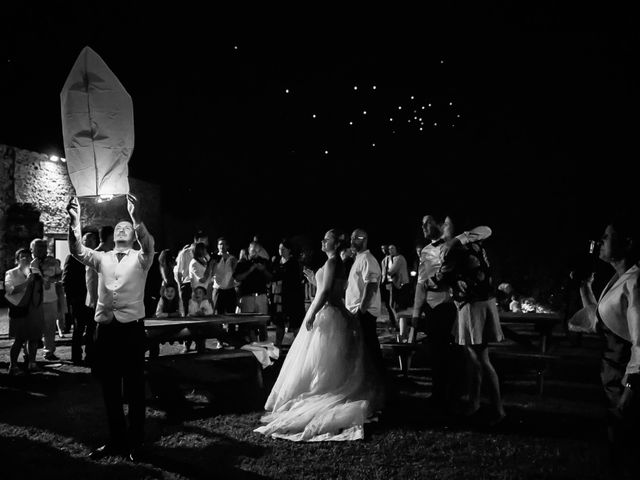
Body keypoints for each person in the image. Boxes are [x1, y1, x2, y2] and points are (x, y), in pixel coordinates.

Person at [255, 229, 384, 441]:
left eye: (327, 239)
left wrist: (311, 312)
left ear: (335, 243)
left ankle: (322, 392)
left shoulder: (334, 262)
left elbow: (327, 294)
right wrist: (315, 281)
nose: (323, 241)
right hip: (331, 312)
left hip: (329, 314)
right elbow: (327, 288)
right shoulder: (334, 262)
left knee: (322, 360)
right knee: (317, 360)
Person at [67, 194, 154, 462]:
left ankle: (136, 441)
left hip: (131, 330)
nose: (121, 228)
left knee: (135, 388)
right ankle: (117, 441)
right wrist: (75, 222)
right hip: (105, 330)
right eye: (117, 227)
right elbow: (76, 251)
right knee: (110, 388)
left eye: (125, 227)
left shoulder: (142, 257)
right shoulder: (101, 257)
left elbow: (149, 243)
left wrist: (135, 216)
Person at [407, 214, 491, 410]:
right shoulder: (426, 251)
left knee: (456, 355)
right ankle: (438, 395)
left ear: (439, 224)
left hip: (453, 306)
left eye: (427, 223)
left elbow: (487, 230)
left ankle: (457, 395)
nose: (423, 227)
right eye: (422, 224)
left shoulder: (458, 242)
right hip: (433, 308)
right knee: (435, 354)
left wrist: (455, 240)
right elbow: (421, 283)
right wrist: (416, 314)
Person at [577, 214, 640, 472]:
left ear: (627, 242)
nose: (599, 241)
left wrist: (631, 389)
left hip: (626, 381)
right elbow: (598, 321)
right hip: (612, 377)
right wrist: (584, 286)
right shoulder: (619, 279)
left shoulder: (635, 283)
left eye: (606, 237)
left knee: (628, 449)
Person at [435, 217, 505, 425]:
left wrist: (438, 274)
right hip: (478, 302)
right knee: (474, 358)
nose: (442, 227)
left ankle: (498, 409)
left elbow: (441, 278)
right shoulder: (466, 243)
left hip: (473, 305)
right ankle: (475, 403)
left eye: (445, 223)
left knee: (480, 359)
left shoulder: (453, 247)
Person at [345, 228, 385, 379]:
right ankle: (368, 379)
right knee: (364, 350)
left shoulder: (368, 259)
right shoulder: (358, 259)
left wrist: (362, 308)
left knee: (369, 349)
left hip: (364, 313)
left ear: (365, 239)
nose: (352, 241)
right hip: (357, 311)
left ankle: (378, 381)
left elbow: (372, 284)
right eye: (351, 238)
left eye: (356, 238)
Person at [4, 248, 36, 374]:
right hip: (18, 308)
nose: (26, 259)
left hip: (33, 308)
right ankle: (13, 365)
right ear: (17, 260)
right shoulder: (11, 273)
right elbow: (10, 290)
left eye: (28, 256)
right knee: (19, 339)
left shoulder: (34, 271)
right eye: (23, 257)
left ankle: (32, 363)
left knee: (33, 337)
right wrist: (27, 281)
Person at [271, 239, 306, 348]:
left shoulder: (294, 263)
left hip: (292, 298)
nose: (280, 251)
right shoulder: (276, 261)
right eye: (279, 249)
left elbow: (292, 279)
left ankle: (298, 348)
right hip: (278, 296)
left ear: (289, 250)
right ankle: (278, 346)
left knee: (295, 323)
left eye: (283, 249)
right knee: (279, 323)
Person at [174, 231, 209, 316]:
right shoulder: (185, 253)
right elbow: (178, 272)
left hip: (202, 287)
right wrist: (180, 288)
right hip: (188, 286)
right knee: (189, 313)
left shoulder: (205, 255)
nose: (206, 243)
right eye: (204, 241)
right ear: (197, 240)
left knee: (201, 312)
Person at [212, 237, 238, 314]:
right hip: (218, 289)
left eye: (224, 244)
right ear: (217, 246)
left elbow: (235, 274)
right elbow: (212, 273)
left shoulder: (232, 258)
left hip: (230, 289)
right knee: (218, 315)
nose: (222, 246)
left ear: (227, 246)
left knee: (231, 314)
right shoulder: (214, 258)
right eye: (220, 244)